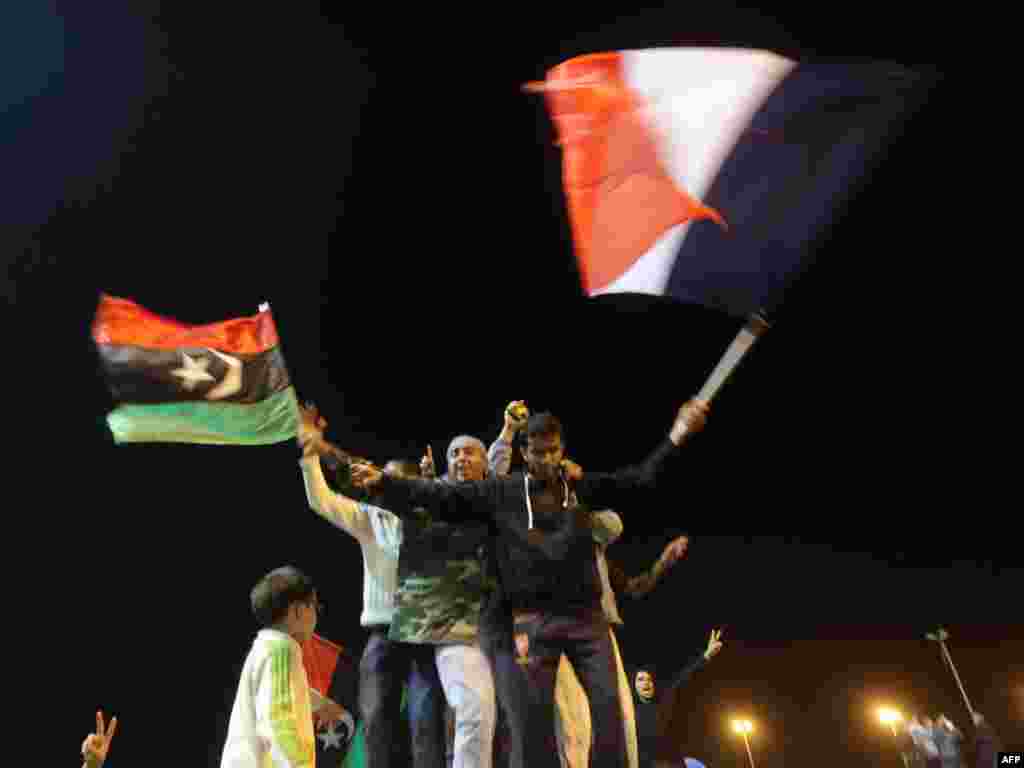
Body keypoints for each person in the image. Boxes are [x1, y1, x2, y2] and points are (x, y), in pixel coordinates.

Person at [349, 399, 710, 768]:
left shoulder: (577, 486)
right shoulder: (504, 491)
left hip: (585, 620)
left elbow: (638, 481)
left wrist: (676, 436)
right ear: (525, 452)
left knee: (606, 713)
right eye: (537, 453)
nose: (546, 460)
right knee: (526, 723)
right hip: (529, 622)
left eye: (553, 452)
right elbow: (444, 495)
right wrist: (386, 483)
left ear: (562, 450)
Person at [297, 407, 446, 768]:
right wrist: (310, 456)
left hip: (425, 636)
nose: (383, 488)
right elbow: (323, 501)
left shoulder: (431, 520)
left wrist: (434, 483)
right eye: (382, 482)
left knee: (427, 720)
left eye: (393, 482)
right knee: (377, 716)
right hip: (382, 634)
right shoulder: (370, 518)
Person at [220, 566, 322, 768]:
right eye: (315, 606)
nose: (316, 616)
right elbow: (278, 720)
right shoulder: (282, 651)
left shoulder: (265, 647)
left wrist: (319, 704)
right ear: (298, 611)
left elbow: (275, 694)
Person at [627, 629, 723, 768]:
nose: (646, 682)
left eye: (649, 679)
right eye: (640, 679)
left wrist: (706, 655)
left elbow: (683, 678)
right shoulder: (629, 710)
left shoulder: (663, 701)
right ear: (633, 686)